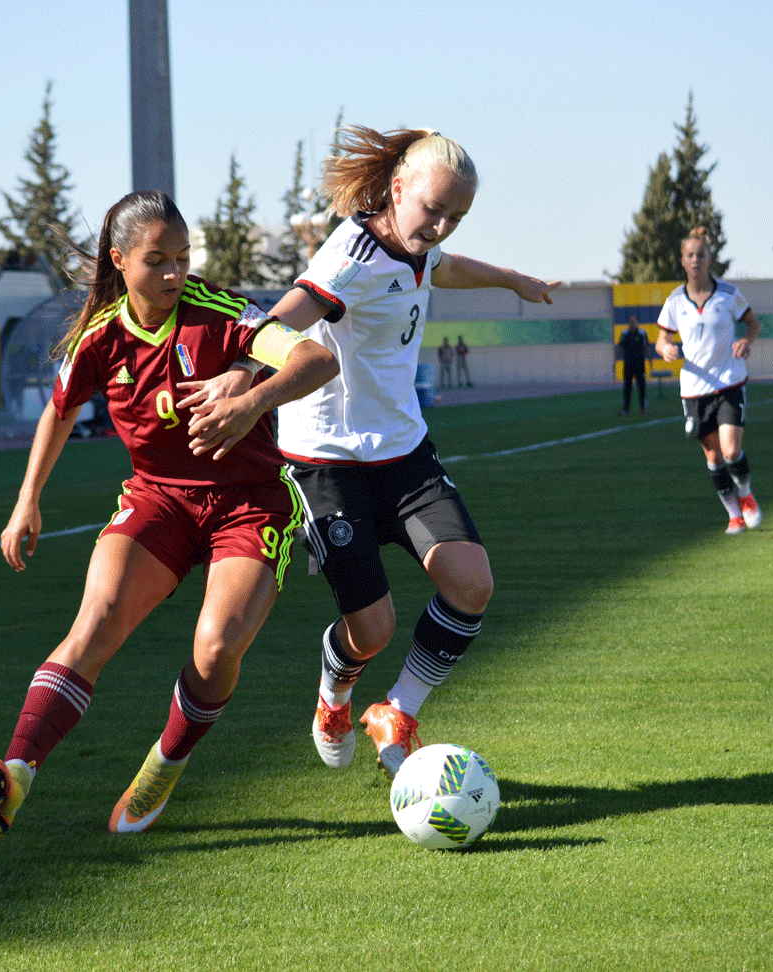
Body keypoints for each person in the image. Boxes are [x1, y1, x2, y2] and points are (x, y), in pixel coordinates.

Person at [0, 190, 337, 836]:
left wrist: (253, 396)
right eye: (156, 260)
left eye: (183, 257)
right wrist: (27, 500)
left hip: (250, 504)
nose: (174, 273)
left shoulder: (217, 310)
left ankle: (163, 767)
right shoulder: (100, 336)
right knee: (95, 623)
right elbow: (60, 408)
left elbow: (315, 358)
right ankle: (18, 772)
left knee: (217, 644)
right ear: (120, 261)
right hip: (158, 499)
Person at [215, 127, 559, 780]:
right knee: (371, 630)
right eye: (434, 210)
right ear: (397, 190)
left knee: (471, 584)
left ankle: (397, 710)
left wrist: (513, 280)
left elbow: (442, 268)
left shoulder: (421, 246)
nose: (442, 226)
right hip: (325, 465)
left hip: (404, 456)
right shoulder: (351, 255)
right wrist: (240, 367)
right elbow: (292, 308)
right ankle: (334, 693)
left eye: (456, 217)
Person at [655, 226, 763, 536]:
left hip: (729, 382)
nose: (695, 260)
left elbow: (753, 324)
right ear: (682, 260)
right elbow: (661, 340)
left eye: (700, 254)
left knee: (730, 451)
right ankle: (734, 516)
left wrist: (746, 341)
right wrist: (666, 349)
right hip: (694, 389)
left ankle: (747, 496)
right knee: (713, 457)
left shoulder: (729, 294)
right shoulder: (675, 301)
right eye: (690, 255)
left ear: (708, 258)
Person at [617, 314, 649, 414]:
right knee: (627, 386)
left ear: (637, 322)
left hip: (639, 364)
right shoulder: (624, 334)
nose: (632, 323)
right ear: (628, 323)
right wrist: (615, 360)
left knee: (641, 386)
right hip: (628, 364)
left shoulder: (642, 333)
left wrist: (650, 359)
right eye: (631, 321)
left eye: (634, 321)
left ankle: (642, 407)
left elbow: (646, 347)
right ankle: (626, 408)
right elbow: (620, 347)